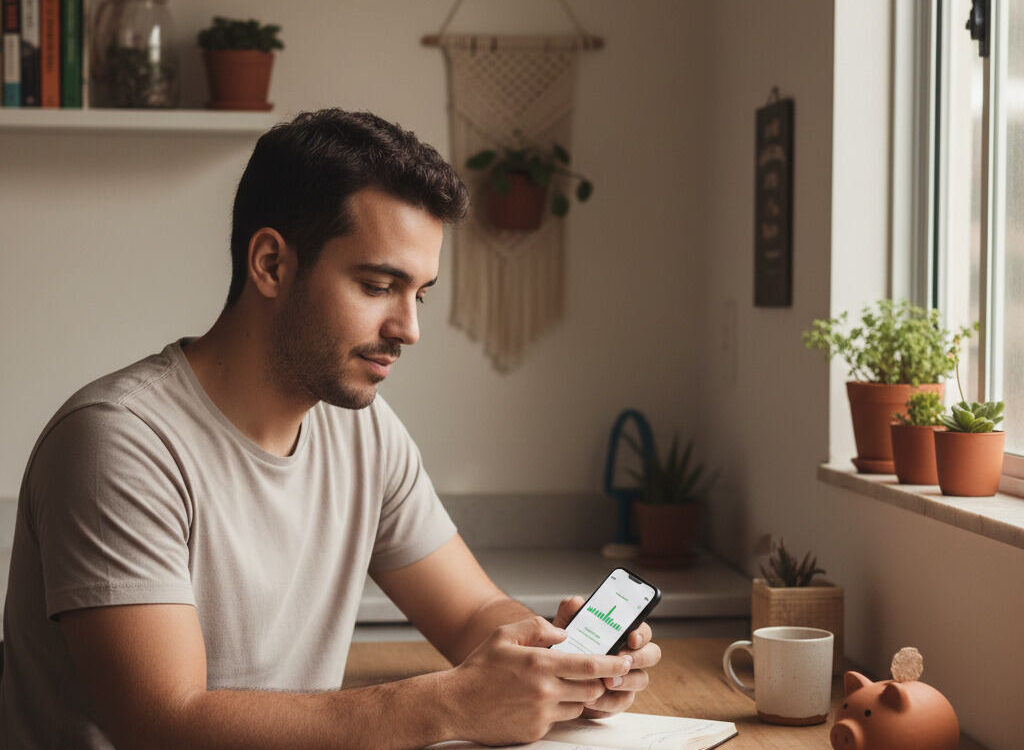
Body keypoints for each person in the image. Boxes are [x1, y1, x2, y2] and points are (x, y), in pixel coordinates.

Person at [0, 109, 660, 750]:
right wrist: (448, 701)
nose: (409, 329)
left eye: (420, 293)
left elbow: (469, 615)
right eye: (379, 285)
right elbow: (165, 724)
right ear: (270, 264)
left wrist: (555, 663)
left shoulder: (365, 434)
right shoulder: (118, 443)